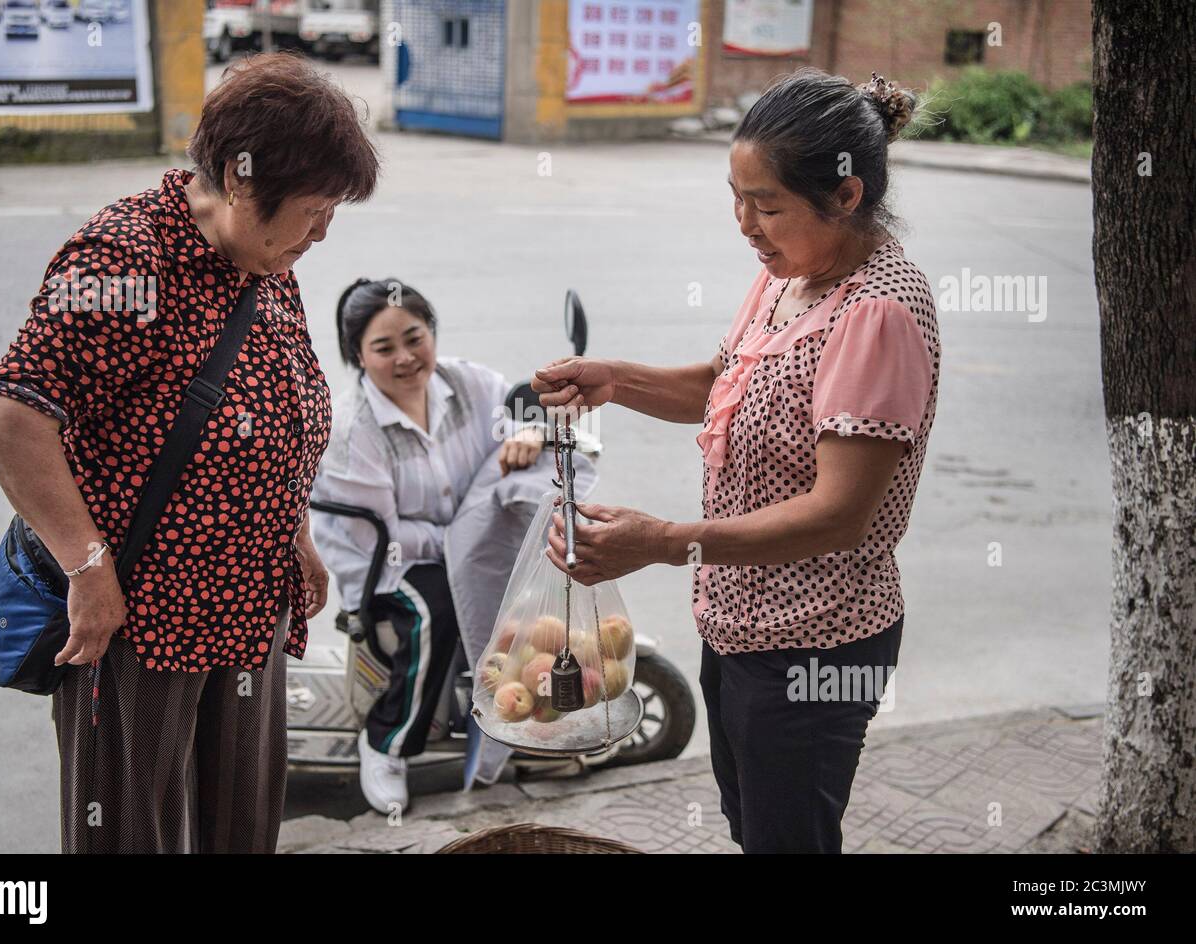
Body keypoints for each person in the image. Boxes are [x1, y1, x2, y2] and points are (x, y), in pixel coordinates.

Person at [0, 53, 379, 853]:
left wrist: (292, 536)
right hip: (139, 623)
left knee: (242, 829)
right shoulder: (124, 258)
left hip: (245, 614)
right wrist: (88, 569)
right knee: (132, 833)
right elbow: (9, 415)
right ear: (238, 177)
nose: (323, 230)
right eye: (313, 207)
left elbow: (270, 413)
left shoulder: (263, 256)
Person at [532, 69, 940, 853]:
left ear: (846, 198)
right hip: (740, 631)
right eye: (736, 195)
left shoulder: (876, 314)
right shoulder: (787, 278)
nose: (746, 224)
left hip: (814, 646)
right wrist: (616, 380)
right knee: (754, 830)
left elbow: (837, 515)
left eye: (769, 205)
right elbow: (725, 383)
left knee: (787, 841)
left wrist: (660, 542)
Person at [311, 278, 545, 814]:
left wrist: (529, 432)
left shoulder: (470, 384)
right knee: (436, 609)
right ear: (357, 355)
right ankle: (388, 740)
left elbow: (519, 413)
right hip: (386, 563)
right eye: (383, 347)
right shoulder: (353, 430)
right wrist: (462, 539)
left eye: (414, 338)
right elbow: (378, 535)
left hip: (470, 542)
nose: (405, 358)